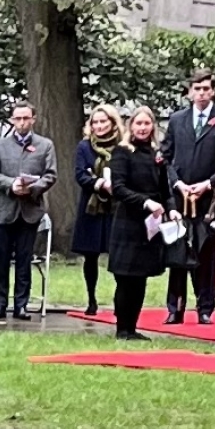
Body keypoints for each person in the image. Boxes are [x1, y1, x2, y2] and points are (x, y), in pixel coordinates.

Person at [159, 70, 215, 325]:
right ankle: (175, 308)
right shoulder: (177, 119)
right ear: (190, 92)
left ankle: (205, 308)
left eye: (206, 89)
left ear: (213, 91)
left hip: (208, 200)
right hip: (180, 197)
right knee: (178, 252)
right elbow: (165, 158)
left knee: (205, 253)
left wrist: (208, 184)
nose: (202, 93)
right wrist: (177, 183)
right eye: (197, 89)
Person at [0, 102, 58, 321]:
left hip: (30, 210)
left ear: (33, 119)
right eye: (18, 118)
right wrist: (11, 184)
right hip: (4, 210)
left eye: (26, 118)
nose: (22, 122)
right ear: (12, 120)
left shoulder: (45, 145)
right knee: (1, 260)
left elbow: (51, 175)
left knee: (24, 261)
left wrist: (32, 188)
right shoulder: (0, 145)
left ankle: (21, 305)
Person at [107, 106, 176, 341]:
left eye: (147, 123)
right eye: (139, 123)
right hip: (128, 221)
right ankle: (122, 328)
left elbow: (165, 188)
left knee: (140, 277)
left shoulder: (157, 154)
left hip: (150, 224)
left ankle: (132, 327)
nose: (143, 128)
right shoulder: (122, 152)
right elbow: (119, 188)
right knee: (125, 277)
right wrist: (145, 202)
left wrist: (172, 209)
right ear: (131, 126)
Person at [71, 104, 123, 316]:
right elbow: (80, 174)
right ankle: (91, 300)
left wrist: (116, 185)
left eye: (104, 121)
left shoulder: (122, 146)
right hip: (91, 207)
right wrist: (98, 183)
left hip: (116, 207)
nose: (99, 126)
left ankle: (120, 301)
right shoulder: (84, 147)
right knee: (90, 256)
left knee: (118, 255)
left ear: (113, 123)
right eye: (95, 122)